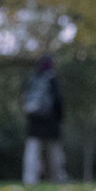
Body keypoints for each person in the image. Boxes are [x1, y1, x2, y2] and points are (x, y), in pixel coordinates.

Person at [22, 56, 65, 184]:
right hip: (51, 120)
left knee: (32, 150)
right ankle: (59, 177)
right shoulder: (52, 79)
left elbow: (25, 98)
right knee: (54, 150)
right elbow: (58, 100)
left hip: (34, 120)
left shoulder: (33, 78)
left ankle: (29, 179)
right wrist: (60, 118)